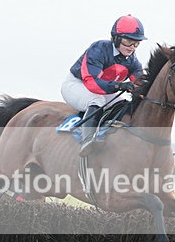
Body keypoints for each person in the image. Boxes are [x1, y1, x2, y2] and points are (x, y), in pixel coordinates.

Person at [61, 15, 146, 156]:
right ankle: (87, 140)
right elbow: (92, 82)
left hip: (103, 90)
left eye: (136, 43)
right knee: (96, 100)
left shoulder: (132, 61)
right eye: (128, 41)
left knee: (124, 105)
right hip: (77, 85)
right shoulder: (99, 48)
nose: (132, 47)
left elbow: (140, 84)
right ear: (116, 38)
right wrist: (119, 86)